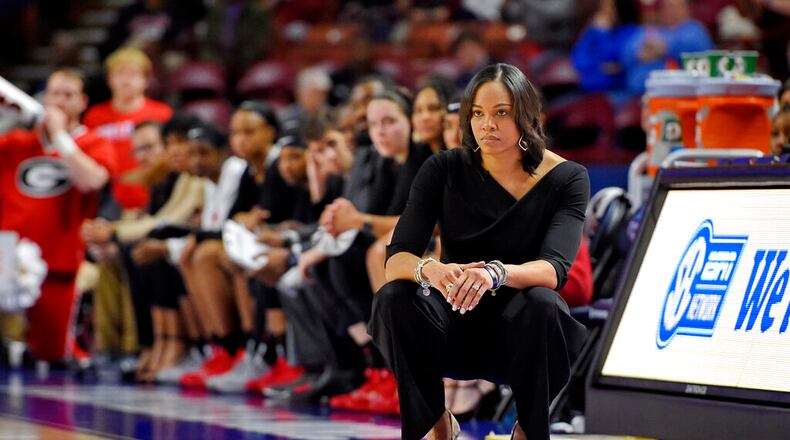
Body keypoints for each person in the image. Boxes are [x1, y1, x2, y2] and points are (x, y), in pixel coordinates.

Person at [369, 64, 589, 440]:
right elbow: (397, 257)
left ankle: (529, 430)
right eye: (478, 113)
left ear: (527, 116)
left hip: (520, 331)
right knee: (393, 297)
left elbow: (554, 269)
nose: (488, 124)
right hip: (452, 317)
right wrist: (432, 271)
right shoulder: (442, 168)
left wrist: (495, 273)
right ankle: (436, 424)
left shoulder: (567, 178)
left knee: (544, 304)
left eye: (501, 113)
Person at [0, 69, 117, 362]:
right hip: (6, 259)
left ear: (83, 102)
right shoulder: (17, 142)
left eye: (68, 95)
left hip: (59, 261)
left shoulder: (94, 143)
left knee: (52, 355)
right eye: (54, 94)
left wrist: (60, 137)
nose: (60, 101)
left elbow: (93, 180)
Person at [83, 47, 172, 211]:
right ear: (109, 79)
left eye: (133, 74)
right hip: (106, 202)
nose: (126, 80)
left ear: (146, 80)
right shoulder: (94, 116)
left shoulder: (162, 114)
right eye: (120, 74)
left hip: (152, 199)